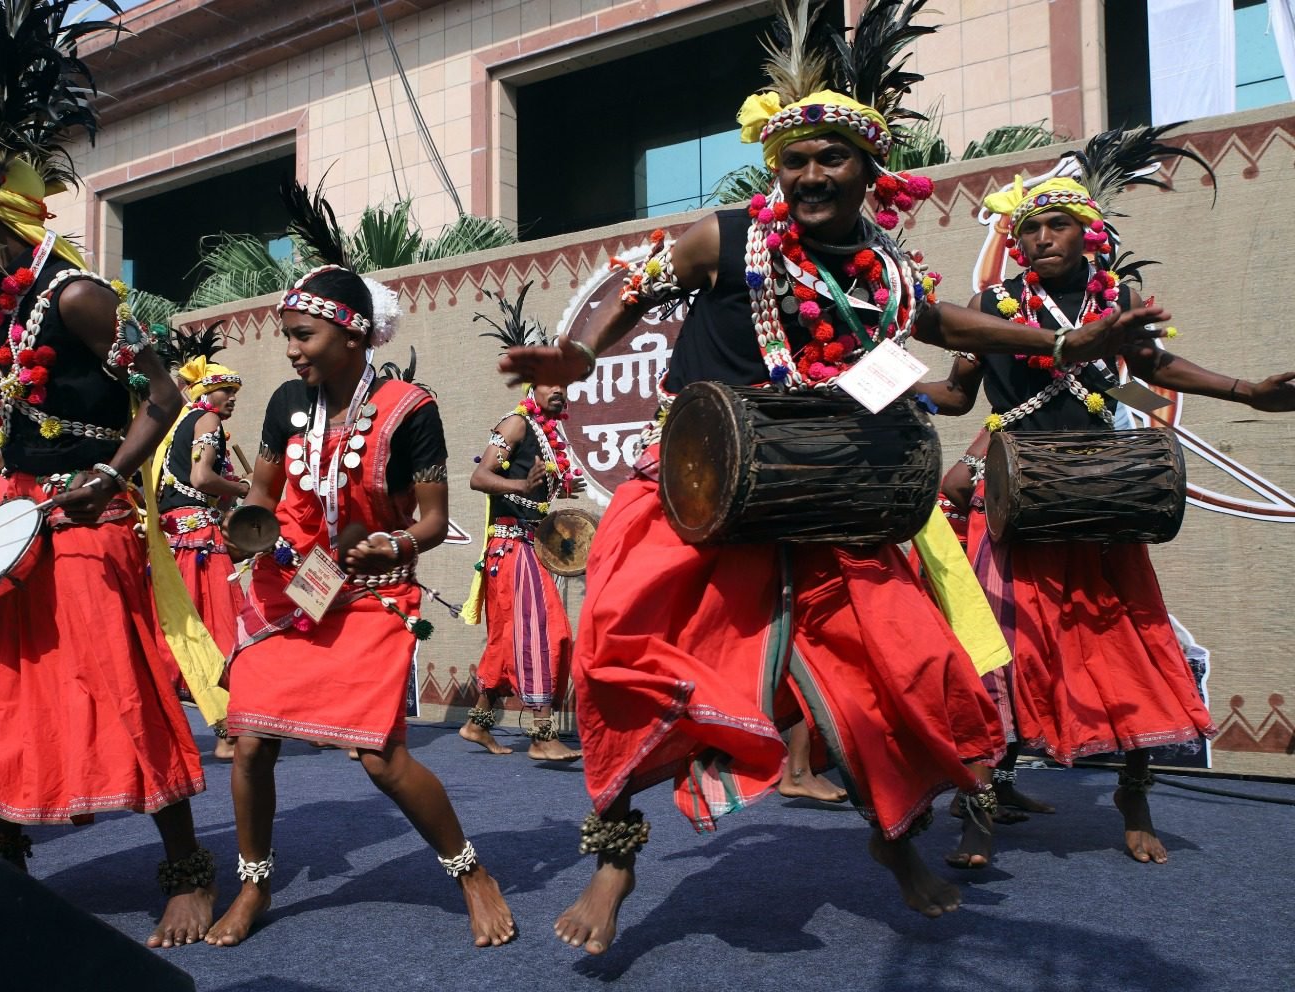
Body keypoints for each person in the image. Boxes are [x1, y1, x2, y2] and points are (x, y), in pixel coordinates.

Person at [498, 0, 1172, 953]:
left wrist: (1065, 342)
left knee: (898, 675)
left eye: (831, 159)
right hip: (691, 499)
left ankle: (894, 840)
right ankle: (615, 860)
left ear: (869, 171)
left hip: (827, 503)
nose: (810, 175)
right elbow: (640, 290)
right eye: (794, 160)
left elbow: (944, 324)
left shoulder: (885, 269)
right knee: (621, 663)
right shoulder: (724, 238)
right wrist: (576, 358)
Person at [0, 0, 217, 949]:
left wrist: (109, 478)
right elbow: (33, 425)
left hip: (87, 522)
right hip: (16, 514)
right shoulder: (5, 309)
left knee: (119, 684)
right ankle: (0, 854)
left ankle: (187, 869)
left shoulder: (78, 295)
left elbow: (163, 395)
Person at [916, 125, 1295, 866]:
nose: (1041, 238)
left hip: (1098, 497)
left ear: (1088, 232)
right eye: (1030, 229)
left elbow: (1143, 371)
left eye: (1057, 225)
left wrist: (1246, 390)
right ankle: (981, 811)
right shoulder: (992, 303)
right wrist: (880, 388)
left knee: (1127, 649)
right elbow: (960, 396)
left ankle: (1133, 794)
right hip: (1015, 499)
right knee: (1000, 655)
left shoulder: (1114, 297)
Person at [203, 183, 515, 950]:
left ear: (350, 335)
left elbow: (434, 521)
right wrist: (248, 528)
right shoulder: (286, 403)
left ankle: (470, 871)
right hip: (292, 585)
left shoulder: (410, 408)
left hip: (375, 591)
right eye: (288, 336)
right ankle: (254, 884)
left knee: (380, 758)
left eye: (303, 335)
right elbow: (262, 495)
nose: (291, 349)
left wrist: (398, 545)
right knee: (251, 741)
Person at [459, 285, 583, 761]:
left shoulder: (547, 433)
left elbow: (531, 486)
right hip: (510, 548)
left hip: (523, 546)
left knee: (508, 639)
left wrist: (557, 489)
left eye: (563, 385)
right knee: (545, 633)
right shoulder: (516, 423)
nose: (558, 391)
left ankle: (478, 724)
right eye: (550, 383)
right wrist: (520, 486)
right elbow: (479, 477)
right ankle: (542, 735)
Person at [155, 349, 250, 761]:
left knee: (174, 633)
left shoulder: (179, 426)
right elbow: (201, 477)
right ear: (205, 393)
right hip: (200, 542)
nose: (232, 399)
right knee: (220, 629)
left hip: (175, 540)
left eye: (234, 393)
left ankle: (162, 731)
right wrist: (243, 488)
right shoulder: (207, 420)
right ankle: (228, 732)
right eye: (226, 391)